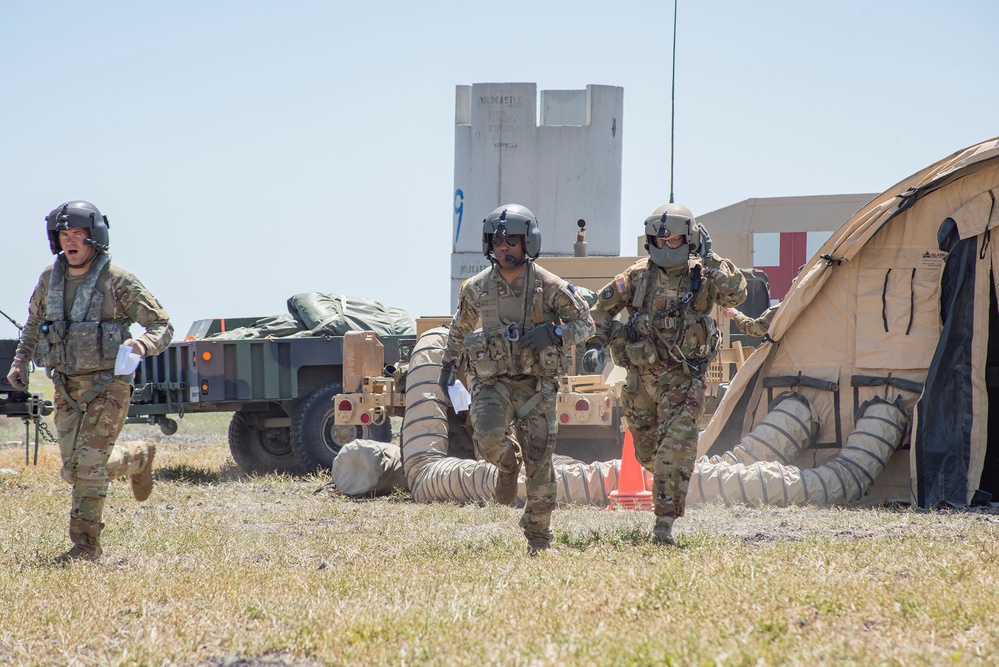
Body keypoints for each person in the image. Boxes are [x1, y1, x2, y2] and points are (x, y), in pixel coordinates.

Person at [6, 200, 173, 563]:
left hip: (107, 386)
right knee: (73, 471)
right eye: (64, 235)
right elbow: (34, 325)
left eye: (78, 234)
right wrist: (21, 362)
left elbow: (162, 326)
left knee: (90, 468)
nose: (71, 241)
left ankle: (85, 547)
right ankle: (138, 457)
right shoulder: (50, 278)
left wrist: (141, 343)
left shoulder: (118, 279)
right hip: (65, 386)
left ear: (94, 238)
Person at [586, 203, 746, 545]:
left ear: (690, 240)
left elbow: (737, 292)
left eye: (675, 241)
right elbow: (599, 311)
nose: (666, 247)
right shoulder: (636, 276)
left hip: (684, 379)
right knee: (649, 454)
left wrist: (712, 257)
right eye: (660, 241)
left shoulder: (704, 276)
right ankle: (663, 485)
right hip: (641, 381)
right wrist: (596, 342)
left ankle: (663, 526)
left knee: (677, 448)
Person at [439, 204, 594, 555]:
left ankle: (538, 539)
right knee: (489, 438)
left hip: (537, 387)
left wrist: (553, 333)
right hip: (493, 383)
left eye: (511, 240)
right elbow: (459, 329)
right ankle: (508, 466)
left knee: (541, 464)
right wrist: (447, 368)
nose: (504, 247)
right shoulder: (476, 288)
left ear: (528, 243)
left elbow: (586, 325)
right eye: (497, 241)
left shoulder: (550, 286)